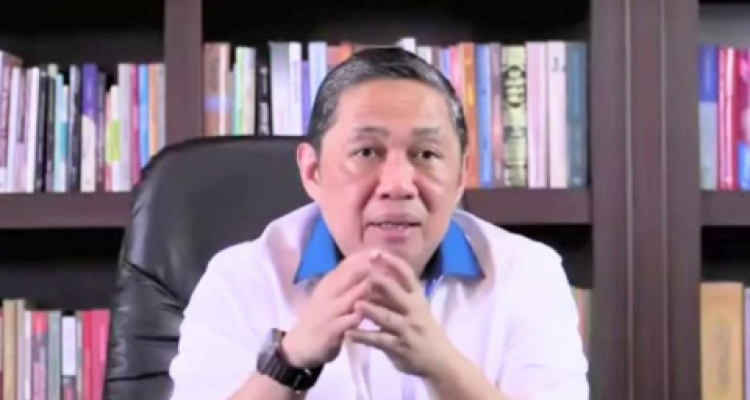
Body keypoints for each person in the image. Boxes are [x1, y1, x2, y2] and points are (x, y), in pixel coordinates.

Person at [167, 47, 589, 400]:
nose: (398, 185)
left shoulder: (527, 274)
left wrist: (440, 364)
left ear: (461, 175)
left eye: (426, 154)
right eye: (367, 152)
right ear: (312, 172)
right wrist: (290, 360)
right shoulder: (240, 279)